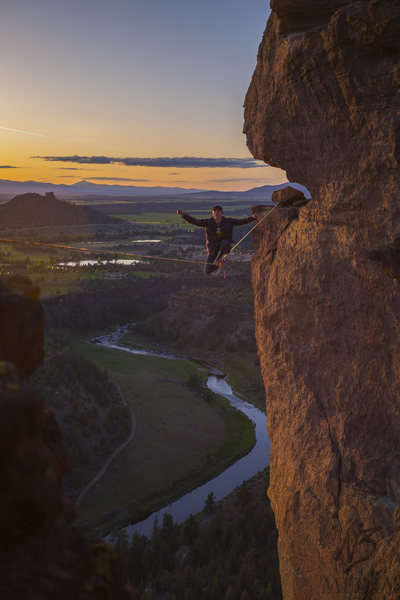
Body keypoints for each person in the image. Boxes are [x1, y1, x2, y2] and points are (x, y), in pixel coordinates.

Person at [176, 205, 257, 274]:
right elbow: (195, 221)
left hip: (224, 246)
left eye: (218, 211)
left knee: (225, 242)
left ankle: (218, 260)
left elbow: (241, 221)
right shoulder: (208, 222)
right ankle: (218, 263)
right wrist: (183, 214)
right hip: (213, 249)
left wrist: (252, 218)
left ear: (222, 213)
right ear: (213, 213)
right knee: (207, 271)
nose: (216, 213)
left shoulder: (228, 221)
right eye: (215, 211)